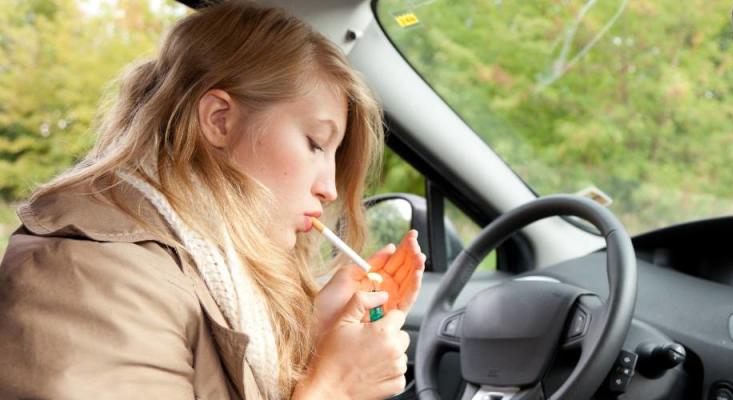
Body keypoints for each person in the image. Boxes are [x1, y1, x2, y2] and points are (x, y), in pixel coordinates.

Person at [0, 1, 426, 399]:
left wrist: (314, 337)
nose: (330, 188)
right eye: (315, 143)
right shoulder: (92, 277)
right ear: (220, 121)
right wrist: (334, 387)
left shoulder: (203, 271)